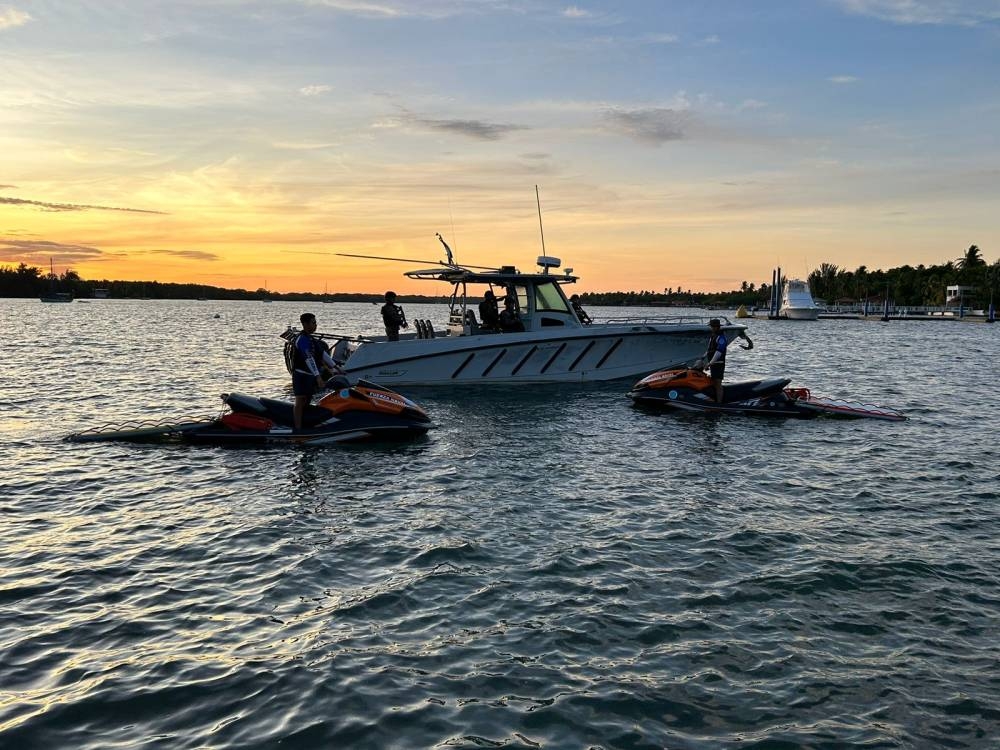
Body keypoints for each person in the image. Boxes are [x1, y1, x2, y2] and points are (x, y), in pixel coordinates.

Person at [292, 313, 338, 431]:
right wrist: (318, 376)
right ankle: (297, 428)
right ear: (305, 324)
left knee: (307, 400)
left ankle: (305, 423)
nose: (315, 325)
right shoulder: (301, 340)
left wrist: (336, 367)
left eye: (315, 323)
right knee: (300, 399)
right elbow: (309, 358)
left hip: (310, 375)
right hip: (300, 375)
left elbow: (322, 353)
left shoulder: (311, 338)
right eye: (313, 323)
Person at [702, 318, 728, 403]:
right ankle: (712, 399)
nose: (712, 328)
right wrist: (703, 357)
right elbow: (709, 350)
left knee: (718, 384)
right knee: (713, 382)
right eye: (711, 326)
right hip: (713, 363)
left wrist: (709, 363)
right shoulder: (713, 336)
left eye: (713, 326)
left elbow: (719, 352)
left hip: (719, 364)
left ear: (717, 327)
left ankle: (719, 403)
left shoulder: (721, 338)